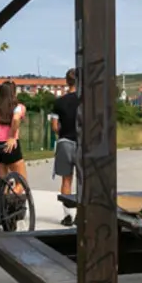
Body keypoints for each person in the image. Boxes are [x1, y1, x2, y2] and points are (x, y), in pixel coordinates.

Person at [50, 68, 80, 227]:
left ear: (67, 82)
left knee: (66, 180)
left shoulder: (59, 102)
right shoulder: (84, 101)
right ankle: (81, 214)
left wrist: (62, 129)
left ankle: (67, 215)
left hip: (64, 143)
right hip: (82, 144)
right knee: (83, 180)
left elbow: (54, 126)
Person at [0, 81, 28, 187]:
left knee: (4, 183)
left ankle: (4, 201)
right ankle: (13, 201)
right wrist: (11, 136)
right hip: (11, 146)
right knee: (22, 183)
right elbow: (16, 118)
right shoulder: (18, 107)